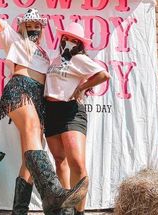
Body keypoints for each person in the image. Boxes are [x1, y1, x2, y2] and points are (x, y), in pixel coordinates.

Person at [0, 0, 88, 215]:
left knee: (30, 157)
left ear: (42, 30)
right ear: (23, 27)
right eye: (29, 24)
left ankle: (19, 211)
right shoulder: (15, 40)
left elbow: (61, 77)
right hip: (20, 88)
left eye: (37, 25)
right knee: (32, 132)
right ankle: (52, 191)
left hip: (39, 100)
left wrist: (79, 90)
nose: (33, 27)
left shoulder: (45, 54)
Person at [44, 22, 111, 215]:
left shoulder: (79, 59)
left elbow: (103, 75)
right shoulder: (55, 60)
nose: (69, 41)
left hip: (70, 111)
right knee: (59, 160)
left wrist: (81, 88)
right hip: (51, 111)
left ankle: (79, 212)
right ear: (61, 39)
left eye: (74, 40)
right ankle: (66, 207)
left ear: (80, 44)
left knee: (77, 164)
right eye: (66, 38)